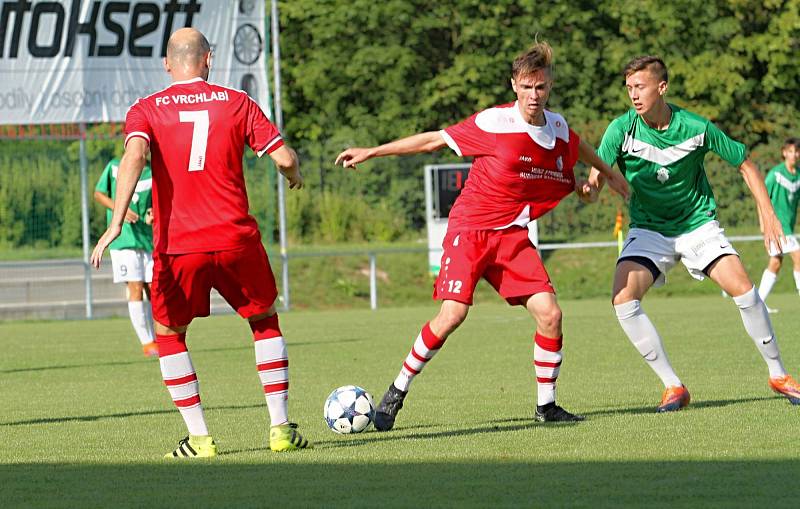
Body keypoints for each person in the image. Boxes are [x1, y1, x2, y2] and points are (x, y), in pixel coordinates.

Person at [335, 41, 630, 431]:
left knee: (551, 314)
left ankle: (547, 406)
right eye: (526, 87)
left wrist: (601, 180)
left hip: (511, 237)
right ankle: (397, 390)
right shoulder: (494, 122)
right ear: (514, 86)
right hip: (471, 229)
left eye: (540, 87)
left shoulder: (557, 128)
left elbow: (584, 153)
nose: (533, 95)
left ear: (549, 87)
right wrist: (374, 151)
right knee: (453, 314)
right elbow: (433, 140)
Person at [91, 28, 310, 458]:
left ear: (168, 64)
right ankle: (280, 429)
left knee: (170, 334)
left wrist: (116, 222)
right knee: (264, 320)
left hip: (179, 245)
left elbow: (133, 156)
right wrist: (293, 175)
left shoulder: (146, 109)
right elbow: (283, 157)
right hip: (235, 238)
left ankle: (200, 439)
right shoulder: (237, 102)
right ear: (209, 60)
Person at [588, 56, 800, 412]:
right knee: (623, 298)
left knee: (744, 288)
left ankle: (778, 374)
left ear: (662, 87)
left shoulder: (695, 126)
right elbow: (598, 177)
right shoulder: (620, 130)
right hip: (649, 229)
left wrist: (767, 214)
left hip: (696, 224)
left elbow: (745, 163)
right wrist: (590, 189)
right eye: (629, 88)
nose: (633, 95)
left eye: (640, 87)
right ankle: (673, 387)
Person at [94, 158, 157, 358]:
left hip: (148, 240)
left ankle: (159, 339)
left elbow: (158, 202)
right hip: (123, 241)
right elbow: (99, 194)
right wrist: (119, 210)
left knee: (154, 289)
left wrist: (153, 213)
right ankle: (147, 343)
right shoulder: (113, 166)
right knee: (135, 287)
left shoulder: (153, 171)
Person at [757, 138, 800, 312]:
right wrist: (763, 224)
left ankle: (758, 304)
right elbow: (761, 196)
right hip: (777, 226)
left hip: (788, 226)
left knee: (775, 262)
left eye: (796, 151)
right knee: (798, 258)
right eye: (790, 151)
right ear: (784, 153)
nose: (794, 155)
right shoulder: (776, 174)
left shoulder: (798, 175)